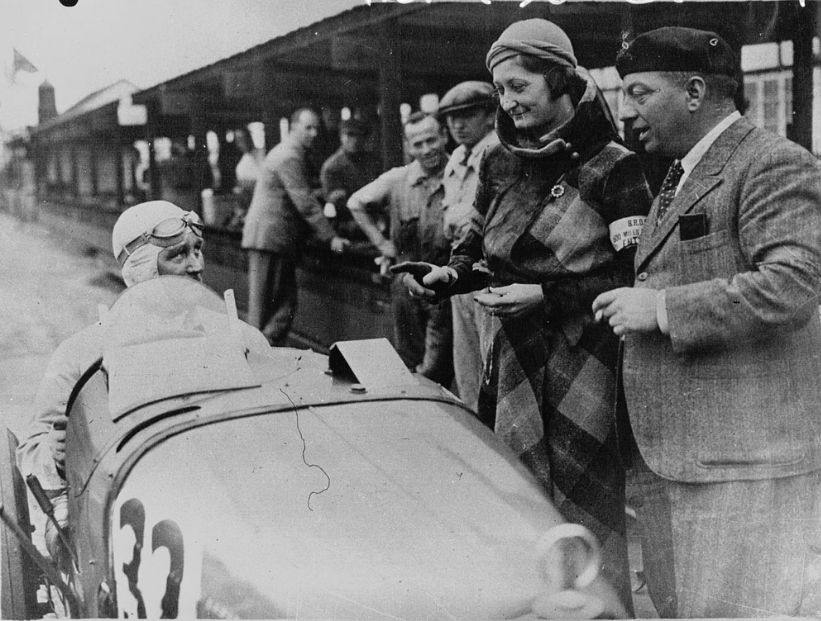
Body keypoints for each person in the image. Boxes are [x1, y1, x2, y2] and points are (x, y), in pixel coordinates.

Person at [394, 19, 652, 609]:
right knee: (520, 497)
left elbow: (634, 275)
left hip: (586, 358)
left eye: (519, 87)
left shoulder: (615, 167)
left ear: (560, 80)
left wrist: (545, 296)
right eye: (500, 90)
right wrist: (450, 276)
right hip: (514, 359)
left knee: (587, 505)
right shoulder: (500, 163)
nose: (508, 103)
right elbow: (479, 244)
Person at [592, 27, 821, 618]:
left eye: (639, 92)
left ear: (694, 91)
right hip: (686, 456)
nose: (626, 110)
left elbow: (792, 287)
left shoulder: (772, 163)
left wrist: (663, 308)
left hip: (740, 466)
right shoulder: (678, 172)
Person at [16, 200, 271, 561]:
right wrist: (56, 453)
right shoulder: (81, 352)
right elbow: (32, 448)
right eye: (178, 255)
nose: (196, 266)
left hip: (236, 496)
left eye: (198, 250)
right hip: (135, 509)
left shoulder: (241, 337)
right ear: (142, 269)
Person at [347, 112, 453, 387]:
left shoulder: (460, 174)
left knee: (436, 368)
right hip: (405, 284)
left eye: (432, 140)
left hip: (446, 285)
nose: (427, 149)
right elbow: (355, 203)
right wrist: (382, 244)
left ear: (444, 136)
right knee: (406, 358)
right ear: (408, 147)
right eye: (418, 144)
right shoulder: (397, 179)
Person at [241, 108, 350, 345]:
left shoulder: (289, 153)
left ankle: (266, 355)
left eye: (315, 129)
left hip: (274, 240)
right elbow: (304, 202)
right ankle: (257, 359)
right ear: (293, 128)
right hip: (271, 239)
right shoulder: (289, 155)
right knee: (267, 310)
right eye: (307, 128)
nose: (313, 133)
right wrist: (331, 237)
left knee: (282, 306)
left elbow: (300, 194)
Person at [438, 80, 499, 412]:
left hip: (489, 269)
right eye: (451, 118)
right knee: (466, 362)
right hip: (459, 266)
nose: (458, 125)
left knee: (491, 363)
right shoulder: (458, 158)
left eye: (467, 115)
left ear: (490, 116)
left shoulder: (498, 151)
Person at [319, 118, 381, 240]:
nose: (354, 140)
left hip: (373, 220)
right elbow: (335, 205)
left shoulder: (371, 161)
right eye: (349, 135)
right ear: (341, 137)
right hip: (346, 226)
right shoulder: (332, 167)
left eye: (359, 136)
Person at [228, 126, 266, 230]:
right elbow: (242, 193)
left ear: (250, 138)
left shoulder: (263, 153)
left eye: (244, 138)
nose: (241, 142)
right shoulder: (241, 165)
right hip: (250, 207)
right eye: (238, 140)